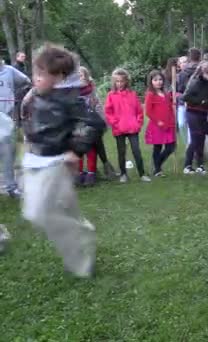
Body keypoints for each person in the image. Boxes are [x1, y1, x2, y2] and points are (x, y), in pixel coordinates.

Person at [21, 44, 106, 278]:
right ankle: (82, 230)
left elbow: (96, 123)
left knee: (38, 213)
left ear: (58, 77)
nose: (36, 78)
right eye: (35, 73)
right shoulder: (34, 95)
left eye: (41, 75)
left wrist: (76, 150)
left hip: (56, 163)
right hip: (33, 160)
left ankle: (81, 253)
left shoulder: (69, 100)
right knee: (63, 209)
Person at [104, 68, 151, 183]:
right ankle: (123, 174)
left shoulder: (132, 94)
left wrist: (138, 123)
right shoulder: (111, 95)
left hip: (132, 128)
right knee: (121, 152)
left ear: (126, 81)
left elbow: (139, 111)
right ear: (114, 82)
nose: (119, 84)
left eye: (122, 81)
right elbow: (108, 112)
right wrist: (116, 124)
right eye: (117, 81)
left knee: (136, 151)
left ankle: (142, 174)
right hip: (119, 129)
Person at [77, 66, 116, 186]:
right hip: (78, 124)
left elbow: (98, 107)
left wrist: (102, 122)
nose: (79, 78)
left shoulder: (91, 91)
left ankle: (91, 173)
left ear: (86, 77)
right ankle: (79, 173)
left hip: (92, 124)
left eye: (81, 75)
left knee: (91, 148)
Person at [0, 59, 30, 198]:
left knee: (8, 153)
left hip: (7, 119)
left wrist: (15, 95)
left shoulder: (9, 70)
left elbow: (26, 81)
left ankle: (11, 187)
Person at [182, 62, 208, 175]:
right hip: (193, 113)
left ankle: (200, 165)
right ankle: (187, 165)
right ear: (205, 73)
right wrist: (200, 102)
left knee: (201, 139)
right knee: (195, 139)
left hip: (203, 114)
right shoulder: (195, 82)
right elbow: (185, 97)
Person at [144, 70, 176, 177]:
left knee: (170, 147)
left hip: (168, 124)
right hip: (157, 126)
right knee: (157, 147)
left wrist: (173, 102)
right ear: (151, 82)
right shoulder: (150, 94)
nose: (159, 82)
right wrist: (158, 121)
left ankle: (157, 164)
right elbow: (148, 112)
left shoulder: (166, 94)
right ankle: (157, 170)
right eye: (155, 80)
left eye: (160, 79)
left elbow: (169, 107)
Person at [176, 49, 201, 146]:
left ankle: (191, 147)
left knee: (192, 126)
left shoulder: (196, 72)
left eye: (185, 62)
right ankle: (188, 144)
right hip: (182, 103)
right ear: (179, 64)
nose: (184, 64)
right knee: (181, 124)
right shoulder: (178, 76)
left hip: (193, 104)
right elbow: (175, 90)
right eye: (181, 62)